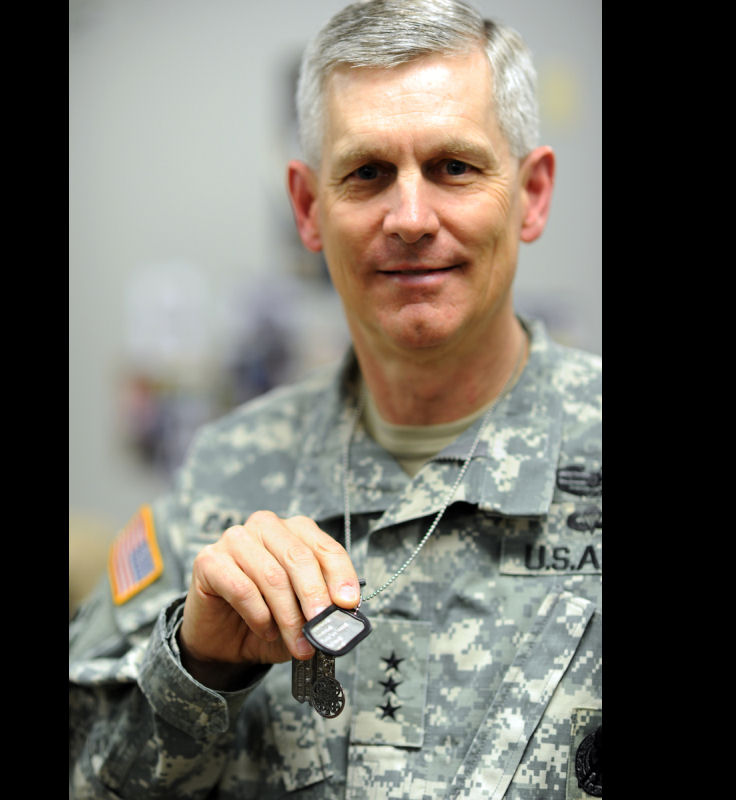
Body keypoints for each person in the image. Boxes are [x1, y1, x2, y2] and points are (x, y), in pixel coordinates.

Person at [69, 1, 602, 797]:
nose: (411, 219)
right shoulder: (225, 473)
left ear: (532, 193)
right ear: (308, 208)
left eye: (455, 167)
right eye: (367, 173)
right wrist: (199, 667)